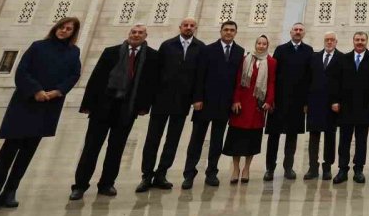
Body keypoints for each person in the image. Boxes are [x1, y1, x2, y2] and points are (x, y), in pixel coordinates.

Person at [0, 17, 82, 212]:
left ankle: (10, 191)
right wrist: (36, 90)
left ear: (73, 33)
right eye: (62, 27)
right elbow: (22, 71)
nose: (64, 31)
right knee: (9, 150)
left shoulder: (73, 52)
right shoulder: (38, 46)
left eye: (69, 29)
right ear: (56, 27)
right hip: (25, 103)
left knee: (27, 152)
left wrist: (58, 91)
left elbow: (74, 74)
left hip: (48, 105)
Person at [70, 24, 159, 199]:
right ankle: (80, 185)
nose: (136, 35)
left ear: (145, 36)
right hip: (103, 106)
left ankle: (107, 183)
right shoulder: (111, 52)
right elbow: (96, 78)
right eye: (134, 32)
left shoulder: (152, 56)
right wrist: (88, 104)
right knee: (91, 147)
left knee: (116, 148)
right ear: (129, 34)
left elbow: (150, 84)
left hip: (127, 108)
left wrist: (143, 107)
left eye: (140, 33)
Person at [137, 17, 205, 193]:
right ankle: (147, 175)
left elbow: (200, 76)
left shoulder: (200, 48)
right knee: (153, 138)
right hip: (161, 99)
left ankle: (161, 173)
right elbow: (156, 72)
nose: (188, 28)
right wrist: (149, 99)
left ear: (195, 28)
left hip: (182, 101)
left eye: (192, 26)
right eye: (186, 25)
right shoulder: (168, 45)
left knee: (172, 140)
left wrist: (197, 98)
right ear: (180, 27)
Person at [182, 20, 244, 189]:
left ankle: (212, 172)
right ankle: (189, 174)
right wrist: (197, 99)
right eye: (226, 30)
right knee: (197, 139)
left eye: (232, 30)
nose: (229, 32)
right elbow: (199, 76)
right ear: (221, 31)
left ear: (235, 33)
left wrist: (234, 100)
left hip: (224, 104)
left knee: (217, 140)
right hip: (205, 103)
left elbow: (237, 80)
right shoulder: (207, 50)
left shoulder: (239, 52)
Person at [223, 35, 276, 184]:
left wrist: (269, 101)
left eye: (264, 44)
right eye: (259, 43)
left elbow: (271, 82)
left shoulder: (271, 62)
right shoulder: (246, 59)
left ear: (267, 45)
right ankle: (235, 168)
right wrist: (236, 100)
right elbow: (239, 80)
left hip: (257, 106)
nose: (261, 46)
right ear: (255, 44)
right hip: (242, 104)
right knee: (236, 137)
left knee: (252, 138)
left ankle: (246, 168)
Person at [265, 22, 313, 181]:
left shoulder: (308, 51)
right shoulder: (281, 49)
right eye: (295, 30)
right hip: (279, 100)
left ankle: (288, 167)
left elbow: (309, 78)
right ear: (291, 32)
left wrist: (306, 102)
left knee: (292, 137)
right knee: (274, 136)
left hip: (297, 102)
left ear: (304, 33)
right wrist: (271, 99)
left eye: (300, 30)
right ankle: (270, 169)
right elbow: (273, 76)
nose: (298, 32)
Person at [331, 31, 369, 184]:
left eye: (363, 40)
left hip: (364, 106)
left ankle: (358, 169)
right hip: (346, 106)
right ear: (353, 41)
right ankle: (342, 169)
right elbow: (336, 82)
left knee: (361, 140)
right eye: (357, 40)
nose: (360, 42)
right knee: (344, 140)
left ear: (367, 41)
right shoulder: (344, 58)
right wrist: (335, 101)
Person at [305, 31, 343, 181]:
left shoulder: (341, 58)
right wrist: (306, 103)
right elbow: (308, 80)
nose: (329, 42)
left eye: (332, 40)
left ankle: (327, 167)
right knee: (314, 136)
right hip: (315, 103)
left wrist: (338, 101)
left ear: (336, 42)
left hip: (331, 105)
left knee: (330, 136)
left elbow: (342, 83)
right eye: (327, 39)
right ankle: (313, 167)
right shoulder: (314, 57)